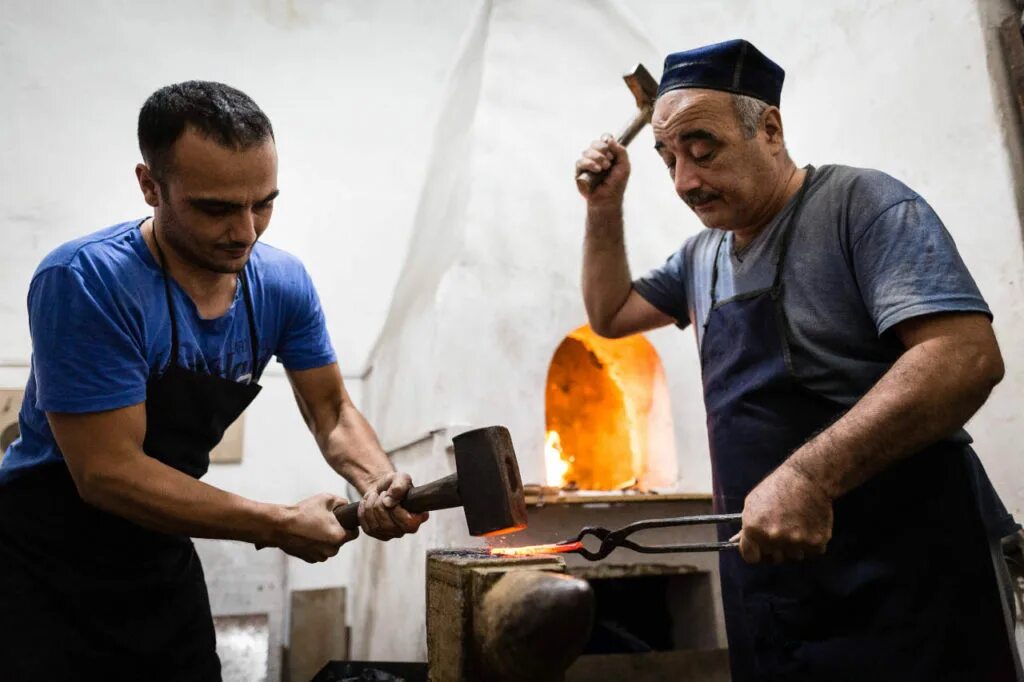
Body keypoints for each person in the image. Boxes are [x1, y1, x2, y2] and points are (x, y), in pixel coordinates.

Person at [575, 39, 1021, 680]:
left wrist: (808, 477)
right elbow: (610, 314)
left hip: (907, 576)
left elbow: (964, 355)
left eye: (703, 151)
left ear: (771, 130)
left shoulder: (862, 206)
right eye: (668, 159)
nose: (684, 182)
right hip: (774, 585)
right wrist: (602, 206)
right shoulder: (702, 255)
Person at [0, 81, 428, 681]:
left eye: (264, 203)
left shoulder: (281, 283)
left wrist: (379, 483)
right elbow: (107, 474)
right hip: (42, 560)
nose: (247, 231)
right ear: (151, 186)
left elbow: (331, 411)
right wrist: (278, 523)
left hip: (159, 549)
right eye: (216, 208)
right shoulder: (87, 281)